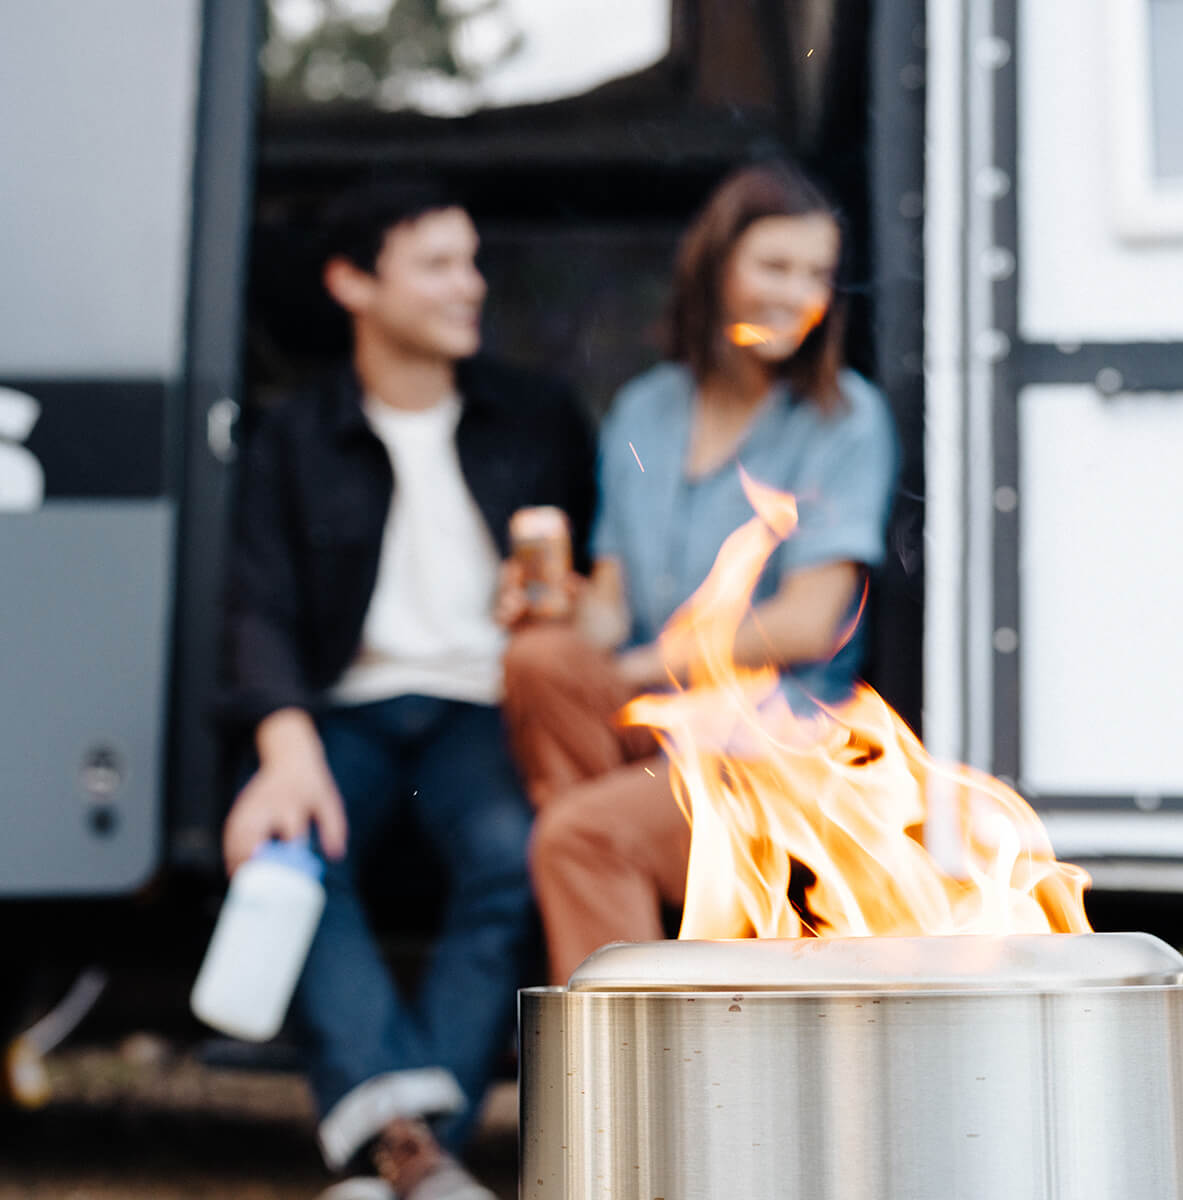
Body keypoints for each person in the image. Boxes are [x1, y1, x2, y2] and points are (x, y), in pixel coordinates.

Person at [219, 178, 595, 1200]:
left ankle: (391, 1150)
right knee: (289, 854)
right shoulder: (293, 439)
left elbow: (600, 581)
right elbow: (256, 609)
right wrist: (284, 752)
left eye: (471, 261)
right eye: (436, 264)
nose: (468, 286)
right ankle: (420, 1155)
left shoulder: (538, 418)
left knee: (511, 860)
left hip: (483, 709)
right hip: (349, 709)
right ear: (353, 283)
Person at [501, 162, 898, 985]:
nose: (798, 294)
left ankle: (623, 1009)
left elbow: (805, 623)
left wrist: (632, 669)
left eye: (818, 274)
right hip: (653, 729)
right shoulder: (646, 408)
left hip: (772, 740)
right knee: (537, 659)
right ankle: (643, 914)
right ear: (716, 268)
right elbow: (611, 610)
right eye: (775, 267)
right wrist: (554, 607)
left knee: (574, 833)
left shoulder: (843, 419)